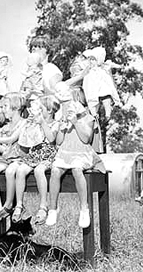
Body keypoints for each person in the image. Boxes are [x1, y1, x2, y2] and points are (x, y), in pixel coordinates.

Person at [45, 82, 105, 228]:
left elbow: (86, 139)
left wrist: (76, 122)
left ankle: (84, 208)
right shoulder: (63, 118)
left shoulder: (88, 118)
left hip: (82, 153)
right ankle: (53, 208)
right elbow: (59, 142)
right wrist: (61, 128)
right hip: (65, 152)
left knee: (77, 169)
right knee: (55, 169)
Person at [0, 94, 60, 224]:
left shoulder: (55, 124)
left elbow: (51, 139)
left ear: (50, 110)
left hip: (47, 156)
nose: (38, 112)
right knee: (20, 170)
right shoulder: (34, 122)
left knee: (39, 171)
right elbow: (27, 141)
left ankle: (43, 205)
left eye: (40, 109)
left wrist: (42, 123)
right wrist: (30, 125)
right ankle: (19, 204)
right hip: (34, 154)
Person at [0, 92, 26, 224]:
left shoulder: (23, 123)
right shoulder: (6, 127)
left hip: (18, 158)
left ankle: (9, 205)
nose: (3, 110)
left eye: (5, 106)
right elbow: (3, 150)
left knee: (10, 171)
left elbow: (11, 139)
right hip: (6, 158)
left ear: (16, 107)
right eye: (2, 107)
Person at [81, 46, 120, 119]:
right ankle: (94, 113)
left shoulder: (103, 68)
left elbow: (112, 65)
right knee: (92, 97)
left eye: (93, 59)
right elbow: (82, 64)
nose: (91, 61)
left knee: (106, 94)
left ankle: (108, 113)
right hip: (92, 85)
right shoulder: (89, 69)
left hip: (102, 85)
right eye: (90, 59)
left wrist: (118, 66)